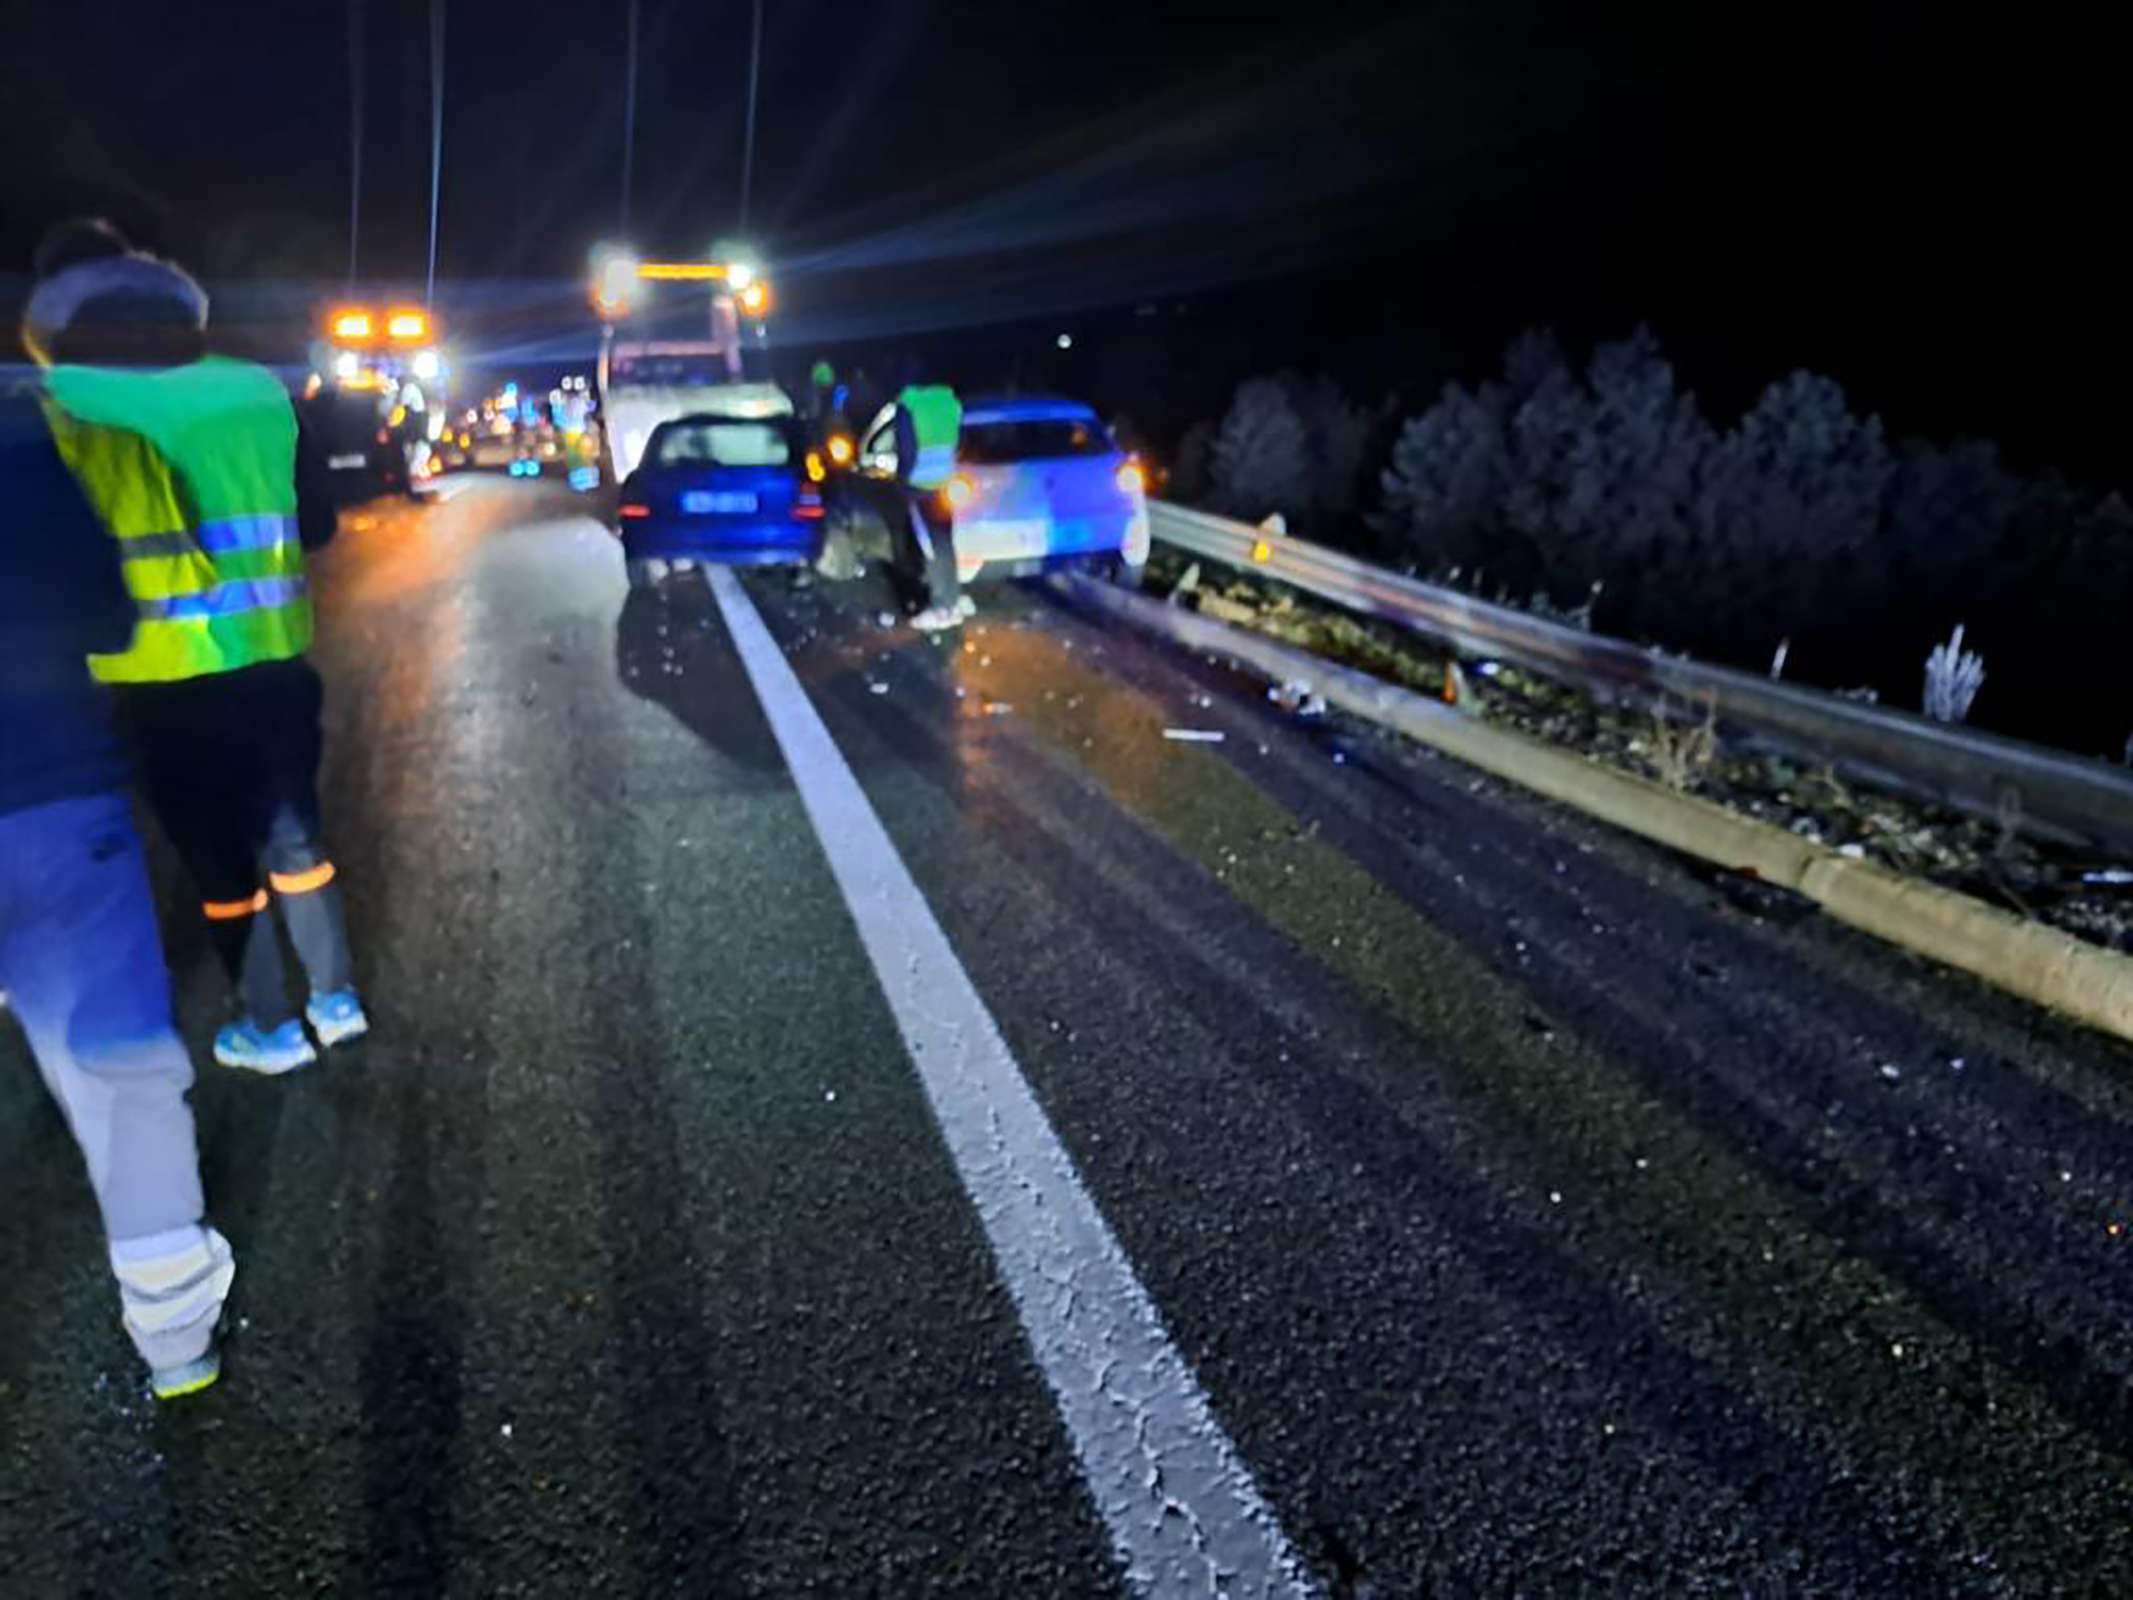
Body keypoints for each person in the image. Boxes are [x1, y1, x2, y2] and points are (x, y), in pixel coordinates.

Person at [24, 219, 365, 1074]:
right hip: (273, 662)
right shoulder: (252, 389)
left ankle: (270, 1026)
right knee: (295, 837)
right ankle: (336, 999)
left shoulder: (60, 408)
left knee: (219, 859)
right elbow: (317, 523)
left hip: (158, 681)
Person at [0, 383, 235, 1400]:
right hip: (55, 794)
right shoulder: (21, 448)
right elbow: (107, 608)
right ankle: (177, 1339)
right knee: (116, 1065)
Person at [892, 381, 969, 631]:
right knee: (944, 543)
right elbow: (960, 441)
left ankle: (941, 608)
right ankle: (951, 600)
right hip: (944, 482)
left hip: (920, 485)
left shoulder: (907, 407)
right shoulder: (949, 402)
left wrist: (902, 480)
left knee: (929, 546)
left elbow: (906, 449)